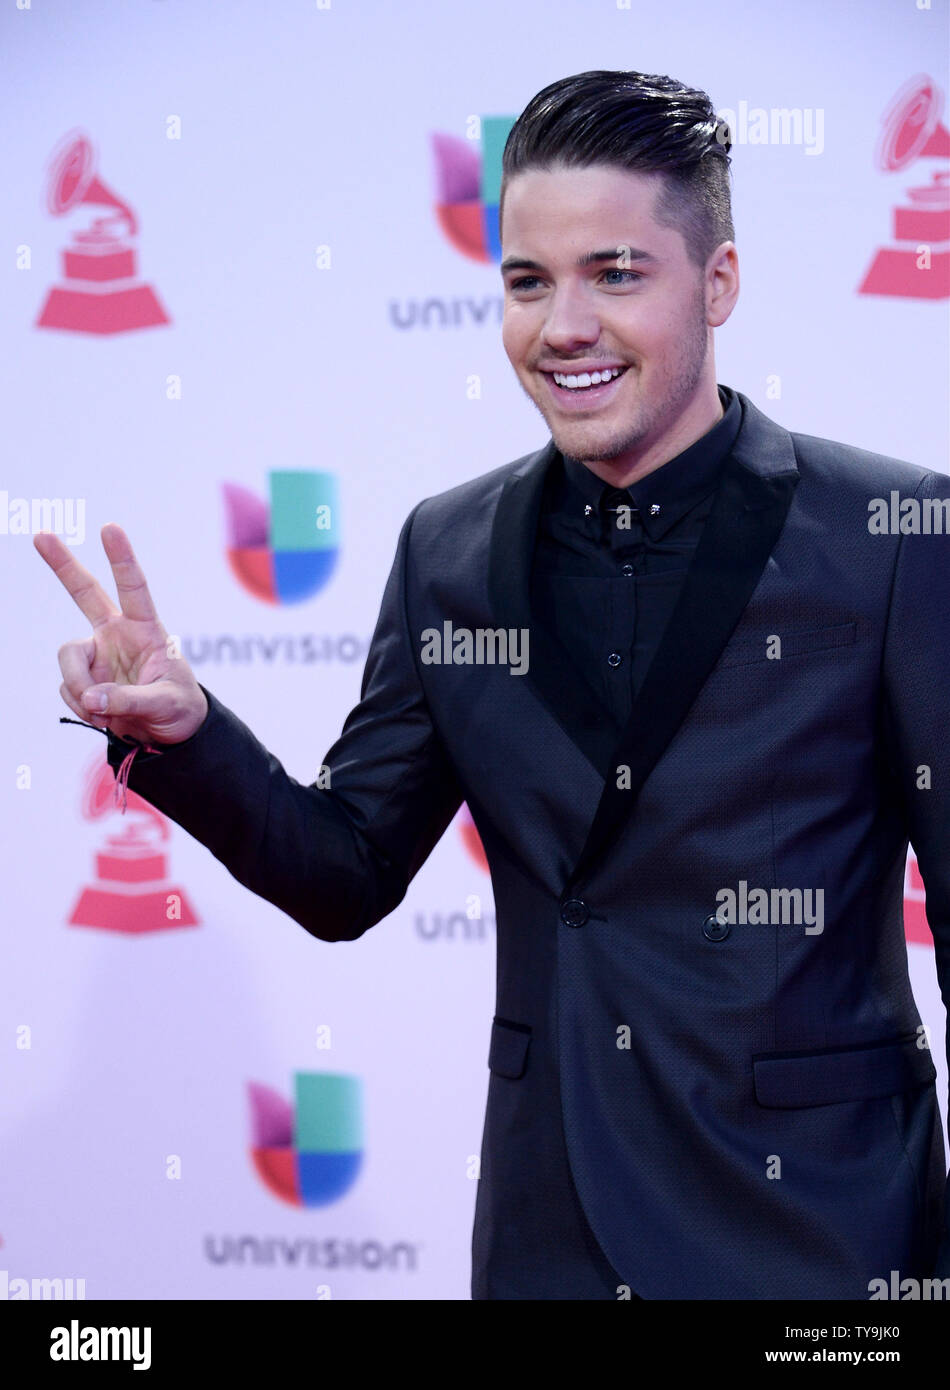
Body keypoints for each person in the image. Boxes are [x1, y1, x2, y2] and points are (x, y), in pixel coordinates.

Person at [36, 70, 949, 1300]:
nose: (562, 324)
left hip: (823, 1248)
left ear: (717, 283)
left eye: (614, 273)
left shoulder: (889, 535)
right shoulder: (448, 551)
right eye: (527, 282)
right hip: (547, 1238)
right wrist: (191, 737)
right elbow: (345, 868)